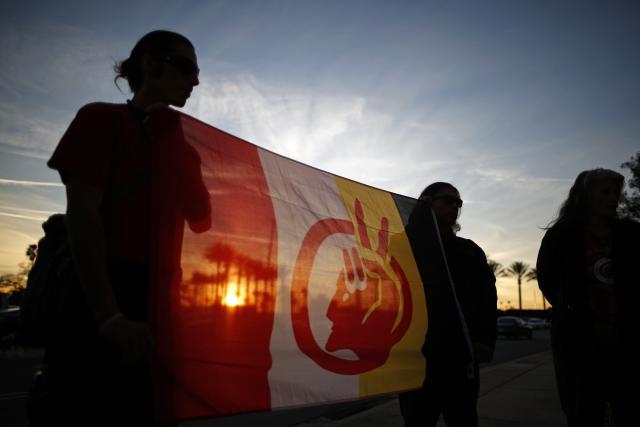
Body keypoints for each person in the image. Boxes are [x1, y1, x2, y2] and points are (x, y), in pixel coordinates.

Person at [38, 30, 210, 426]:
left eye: (197, 72)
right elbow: (83, 214)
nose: (196, 81)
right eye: (186, 67)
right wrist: (108, 316)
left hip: (157, 299)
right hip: (102, 293)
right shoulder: (101, 118)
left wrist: (177, 149)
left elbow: (201, 220)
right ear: (150, 64)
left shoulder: (182, 147)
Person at [537, 168, 639, 427]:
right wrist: (572, 309)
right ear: (585, 196)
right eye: (604, 191)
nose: (613, 197)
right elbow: (548, 282)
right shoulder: (560, 236)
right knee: (583, 414)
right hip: (579, 346)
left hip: (626, 344)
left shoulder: (631, 234)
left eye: (616, 192)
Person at [399, 182, 497, 427]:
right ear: (427, 202)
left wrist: (485, 340)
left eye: (458, 203)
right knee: (418, 419)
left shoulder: (469, 250)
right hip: (417, 354)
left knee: (463, 418)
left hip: (461, 354)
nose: (455, 206)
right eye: (448, 200)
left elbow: (486, 298)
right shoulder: (403, 245)